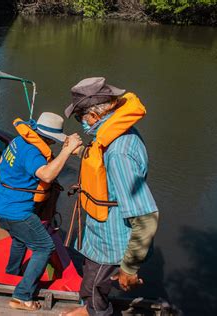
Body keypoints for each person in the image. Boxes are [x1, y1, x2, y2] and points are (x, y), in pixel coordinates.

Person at [61, 77, 159, 316]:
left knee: (93, 288)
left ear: (94, 116)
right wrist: (80, 151)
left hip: (112, 241)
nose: (81, 123)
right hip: (100, 234)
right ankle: (90, 309)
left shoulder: (120, 153)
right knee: (92, 281)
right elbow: (102, 164)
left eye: (80, 117)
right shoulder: (113, 134)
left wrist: (129, 267)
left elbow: (146, 218)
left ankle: (96, 312)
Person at [0, 112, 83, 311]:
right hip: (16, 211)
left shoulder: (20, 140)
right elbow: (46, 175)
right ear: (48, 137)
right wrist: (67, 151)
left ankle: (11, 275)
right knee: (44, 247)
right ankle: (22, 296)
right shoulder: (33, 151)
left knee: (20, 240)